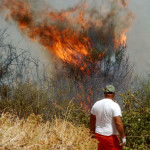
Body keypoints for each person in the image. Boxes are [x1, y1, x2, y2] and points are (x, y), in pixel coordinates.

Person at [90, 85, 126, 150]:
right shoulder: (114, 105)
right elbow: (118, 123)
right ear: (114, 94)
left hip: (98, 135)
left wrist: (92, 133)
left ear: (104, 94)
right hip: (110, 137)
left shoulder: (96, 104)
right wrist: (123, 137)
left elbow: (92, 120)